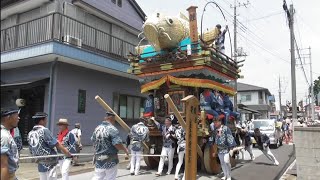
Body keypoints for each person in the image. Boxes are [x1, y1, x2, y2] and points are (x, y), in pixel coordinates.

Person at [28, 112, 72, 180]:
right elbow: (56, 143)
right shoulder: (44, 130)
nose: (46, 121)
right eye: (45, 119)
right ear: (41, 121)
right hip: (49, 163)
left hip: (40, 162)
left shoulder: (30, 133)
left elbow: (31, 148)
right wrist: (67, 152)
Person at [91, 111, 129, 180]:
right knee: (110, 177)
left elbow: (93, 141)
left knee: (98, 177)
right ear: (112, 119)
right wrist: (125, 149)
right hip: (110, 158)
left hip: (99, 157)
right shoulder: (112, 129)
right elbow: (117, 144)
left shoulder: (97, 128)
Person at [1, 108, 20, 180]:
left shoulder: (6, 133)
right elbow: (3, 166)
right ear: (8, 118)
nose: (18, 118)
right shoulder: (4, 136)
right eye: (16, 115)